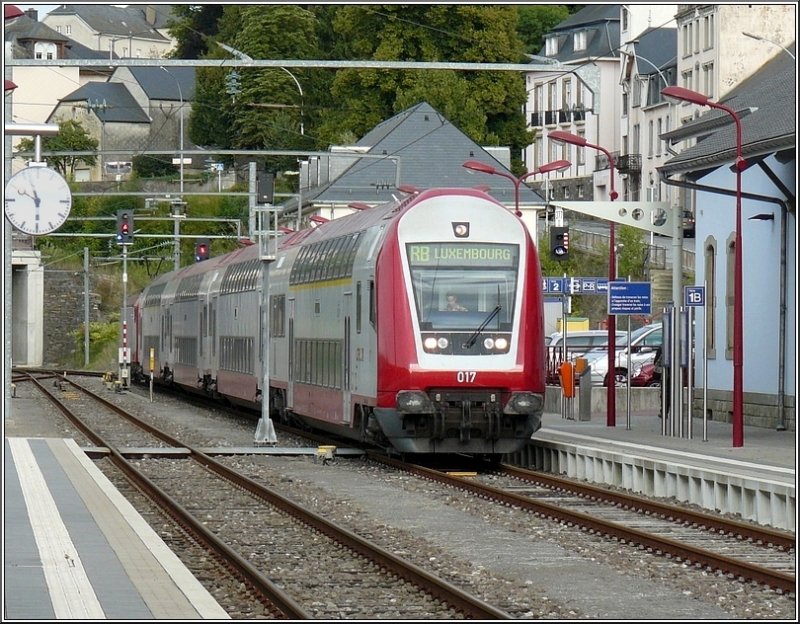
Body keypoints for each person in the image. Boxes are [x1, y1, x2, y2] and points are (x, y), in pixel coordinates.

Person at [653, 345, 670, 419]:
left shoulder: (662, 347)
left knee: (665, 393)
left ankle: (664, 411)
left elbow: (656, 361)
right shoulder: (680, 345)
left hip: (665, 373)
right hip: (677, 374)